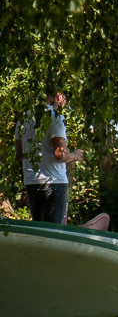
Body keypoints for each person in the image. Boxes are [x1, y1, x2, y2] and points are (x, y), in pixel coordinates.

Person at [13, 91, 84, 224]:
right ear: (58, 97)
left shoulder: (24, 119)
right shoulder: (56, 118)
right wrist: (75, 156)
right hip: (54, 182)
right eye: (64, 99)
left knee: (39, 229)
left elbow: (19, 155)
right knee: (53, 230)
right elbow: (60, 154)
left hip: (31, 182)